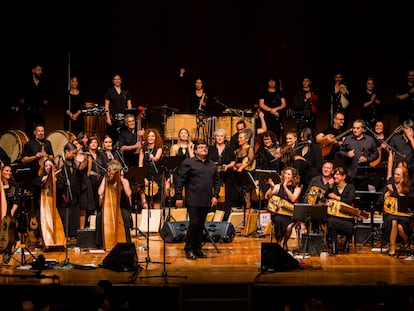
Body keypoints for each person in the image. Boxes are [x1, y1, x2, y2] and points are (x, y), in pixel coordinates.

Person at [175, 141, 221, 260]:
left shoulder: (212, 165)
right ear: (195, 151)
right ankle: (189, 248)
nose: (203, 149)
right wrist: (179, 196)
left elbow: (217, 181)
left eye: (205, 147)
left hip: (207, 199)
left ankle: (197, 249)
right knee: (194, 223)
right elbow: (180, 180)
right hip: (193, 198)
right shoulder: (188, 163)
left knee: (201, 225)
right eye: (200, 147)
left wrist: (215, 196)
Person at [20, 124, 54, 243]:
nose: (41, 133)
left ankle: (48, 232)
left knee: (48, 205)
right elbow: (23, 160)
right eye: (39, 131)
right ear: (35, 132)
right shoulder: (29, 144)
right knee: (37, 207)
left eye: (42, 131)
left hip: (47, 177)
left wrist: (47, 156)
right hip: (34, 179)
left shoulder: (47, 143)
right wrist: (36, 156)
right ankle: (38, 233)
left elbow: (52, 157)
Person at [96, 159, 133, 248]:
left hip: (122, 207)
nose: (112, 176)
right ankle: (100, 242)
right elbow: (100, 193)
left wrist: (122, 180)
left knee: (125, 216)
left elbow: (129, 194)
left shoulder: (124, 181)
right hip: (109, 208)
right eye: (111, 173)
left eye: (114, 174)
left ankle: (126, 241)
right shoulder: (106, 180)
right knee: (100, 216)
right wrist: (105, 179)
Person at [264, 166, 302, 251]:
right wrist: (272, 186)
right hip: (278, 213)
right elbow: (267, 195)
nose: (286, 176)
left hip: (291, 214)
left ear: (293, 177)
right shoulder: (278, 186)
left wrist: (285, 186)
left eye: (289, 174)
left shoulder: (297, 188)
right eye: (285, 173)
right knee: (278, 220)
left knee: (289, 227)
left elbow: (293, 198)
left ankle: (284, 243)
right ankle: (278, 242)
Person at [337, 119, 378, 191]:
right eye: (354, 128)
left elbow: (376, 154)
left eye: (358, 128)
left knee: (362, 197)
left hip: (364, 175)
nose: (355, 130)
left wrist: (367, 159)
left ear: (363, 129)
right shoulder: (348, 139)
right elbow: (340, 152)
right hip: (350, 175)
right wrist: (347, 154)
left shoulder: (370, 140)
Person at [380, 165, 413, 256]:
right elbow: (382, 200)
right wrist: (389, 192)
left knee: (400, 227)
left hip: (404, 214)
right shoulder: (390, 186)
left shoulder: (407, 187)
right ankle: (392, 247)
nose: (395, 176)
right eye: (395, 174)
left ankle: (406, 241)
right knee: (393, 220)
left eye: (398, 174)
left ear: (403, 176)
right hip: (391, 214)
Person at [325, 166, 356, 255]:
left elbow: (350, 200)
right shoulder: (333, 187)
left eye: (338, 174)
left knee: (350, 225)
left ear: (344, 176)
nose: (335, 176)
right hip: (334, 215)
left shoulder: (350, 187)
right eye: (334, 174)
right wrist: (329, 187)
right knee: (330, 221)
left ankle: (346, 244)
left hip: (346, 216)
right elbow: (325, 196)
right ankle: (335, 247)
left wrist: (336, 197)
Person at [207, 128, 236, 220]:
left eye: (222, 136)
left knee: (227, 196)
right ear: (215, 137)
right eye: (218, 136)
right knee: (212, 195)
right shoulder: (210, 149)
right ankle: (211, 216)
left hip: (227, 176)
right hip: (212, 176)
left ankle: (225, 217)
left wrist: (227, 166)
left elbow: (233, 162)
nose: (219, 138)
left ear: (225, 137)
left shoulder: (229, 149)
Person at [18, 63, 49, 135]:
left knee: (40, 129)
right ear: (33, 70)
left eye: (41, 70)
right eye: (38, 70)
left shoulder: (44, 83)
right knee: (29, 129)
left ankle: (40, 144)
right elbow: (21, 98)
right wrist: (29, 103)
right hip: (30, 109)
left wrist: (41, 102)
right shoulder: (26, 82)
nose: (40, 72)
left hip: (40, 110)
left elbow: (47, 97)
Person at [138, 128, 164, 209]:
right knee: (147, 196)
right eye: (149, 136)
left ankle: (156, 217)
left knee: (157, 198)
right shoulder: (143, 149)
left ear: (156, 137)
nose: (151, 138)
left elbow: (156, 158)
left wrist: (153, 157)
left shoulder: (159, 148)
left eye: (153, 136)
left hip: (156, 175)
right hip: (146, 174)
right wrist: (143, 177)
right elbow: (140, 164)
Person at [104, 74, 132, 143]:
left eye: (118, 79)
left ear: (121, 80)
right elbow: (106, 105)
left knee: (124, 137)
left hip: (124, 118)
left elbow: (129, 104)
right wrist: (108, 118)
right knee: (113, 137)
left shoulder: (125, 91)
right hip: (113, 118)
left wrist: (129, 117)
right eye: (115, 79)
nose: (117, 80)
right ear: (113, 81)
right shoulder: (110, 90)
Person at [233, 128, 256, 214]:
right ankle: (242, 218)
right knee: (241, 198)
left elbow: (250, 161)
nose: (239, 139)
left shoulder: (250, 149)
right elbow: (236, 162)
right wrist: (236, 166)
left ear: (246, 139)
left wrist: (241, 167)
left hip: (246, 176)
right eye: (238, 138)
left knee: (247, 196)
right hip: (238, 176)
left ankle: (247, 218)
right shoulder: (238, 150)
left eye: (241, 138)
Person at [387, 119, 414, 190]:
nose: (408, 131)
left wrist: (411, 139)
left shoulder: (413, 140)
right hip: (397, 171)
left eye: (410, 129)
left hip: (411, 173)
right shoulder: (395, 139)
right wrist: (389, 174)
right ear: (403, 128)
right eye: (406, 128)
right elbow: (390, 156)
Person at [258, 75, 286, 142]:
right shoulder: (263, 92)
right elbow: (261, 104)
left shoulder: (280, 92)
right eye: (270, 81)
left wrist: (276, 109)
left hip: (277, 115)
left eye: (273, 81)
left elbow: (284, 104)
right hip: (266, 115)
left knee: (276, 131)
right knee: (266, 130)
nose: (271, 82)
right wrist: (272, 110)